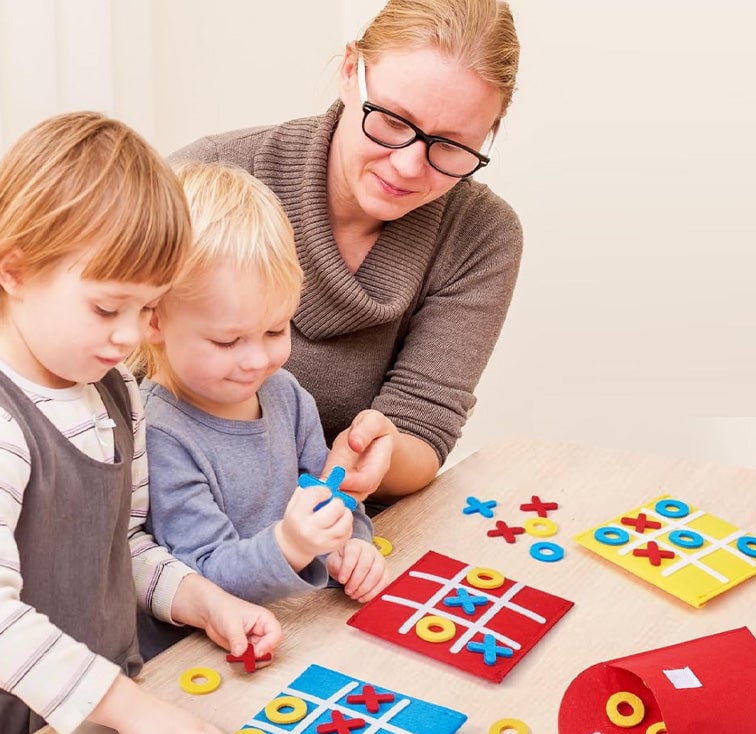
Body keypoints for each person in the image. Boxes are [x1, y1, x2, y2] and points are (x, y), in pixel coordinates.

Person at [0, 112, 282, 734]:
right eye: (107, 308)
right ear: (15, 270)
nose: (130, 334)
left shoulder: (116, 390)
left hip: (94, 726)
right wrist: (132, 714)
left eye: (148, 308)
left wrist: (200, 600)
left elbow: (119, 546)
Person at [170, 0, 522, 506]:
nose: (407, 167)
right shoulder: (204, 177)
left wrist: (381, 453)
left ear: (490, 133)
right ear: (349, 71)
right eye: (394, 120)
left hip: (346, 530)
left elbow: (424, 425)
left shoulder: (480, 234)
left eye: (451, 146)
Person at [133, 161, 390, 625]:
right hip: (211, 650)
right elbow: (202, 574)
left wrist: (352, 545)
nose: (257, 360)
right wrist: (292, 545)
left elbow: (332, 494)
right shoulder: (158, 433)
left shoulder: (286, 394)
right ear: (154, 321)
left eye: (275, 329)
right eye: (228, 341)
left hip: (303, 620)